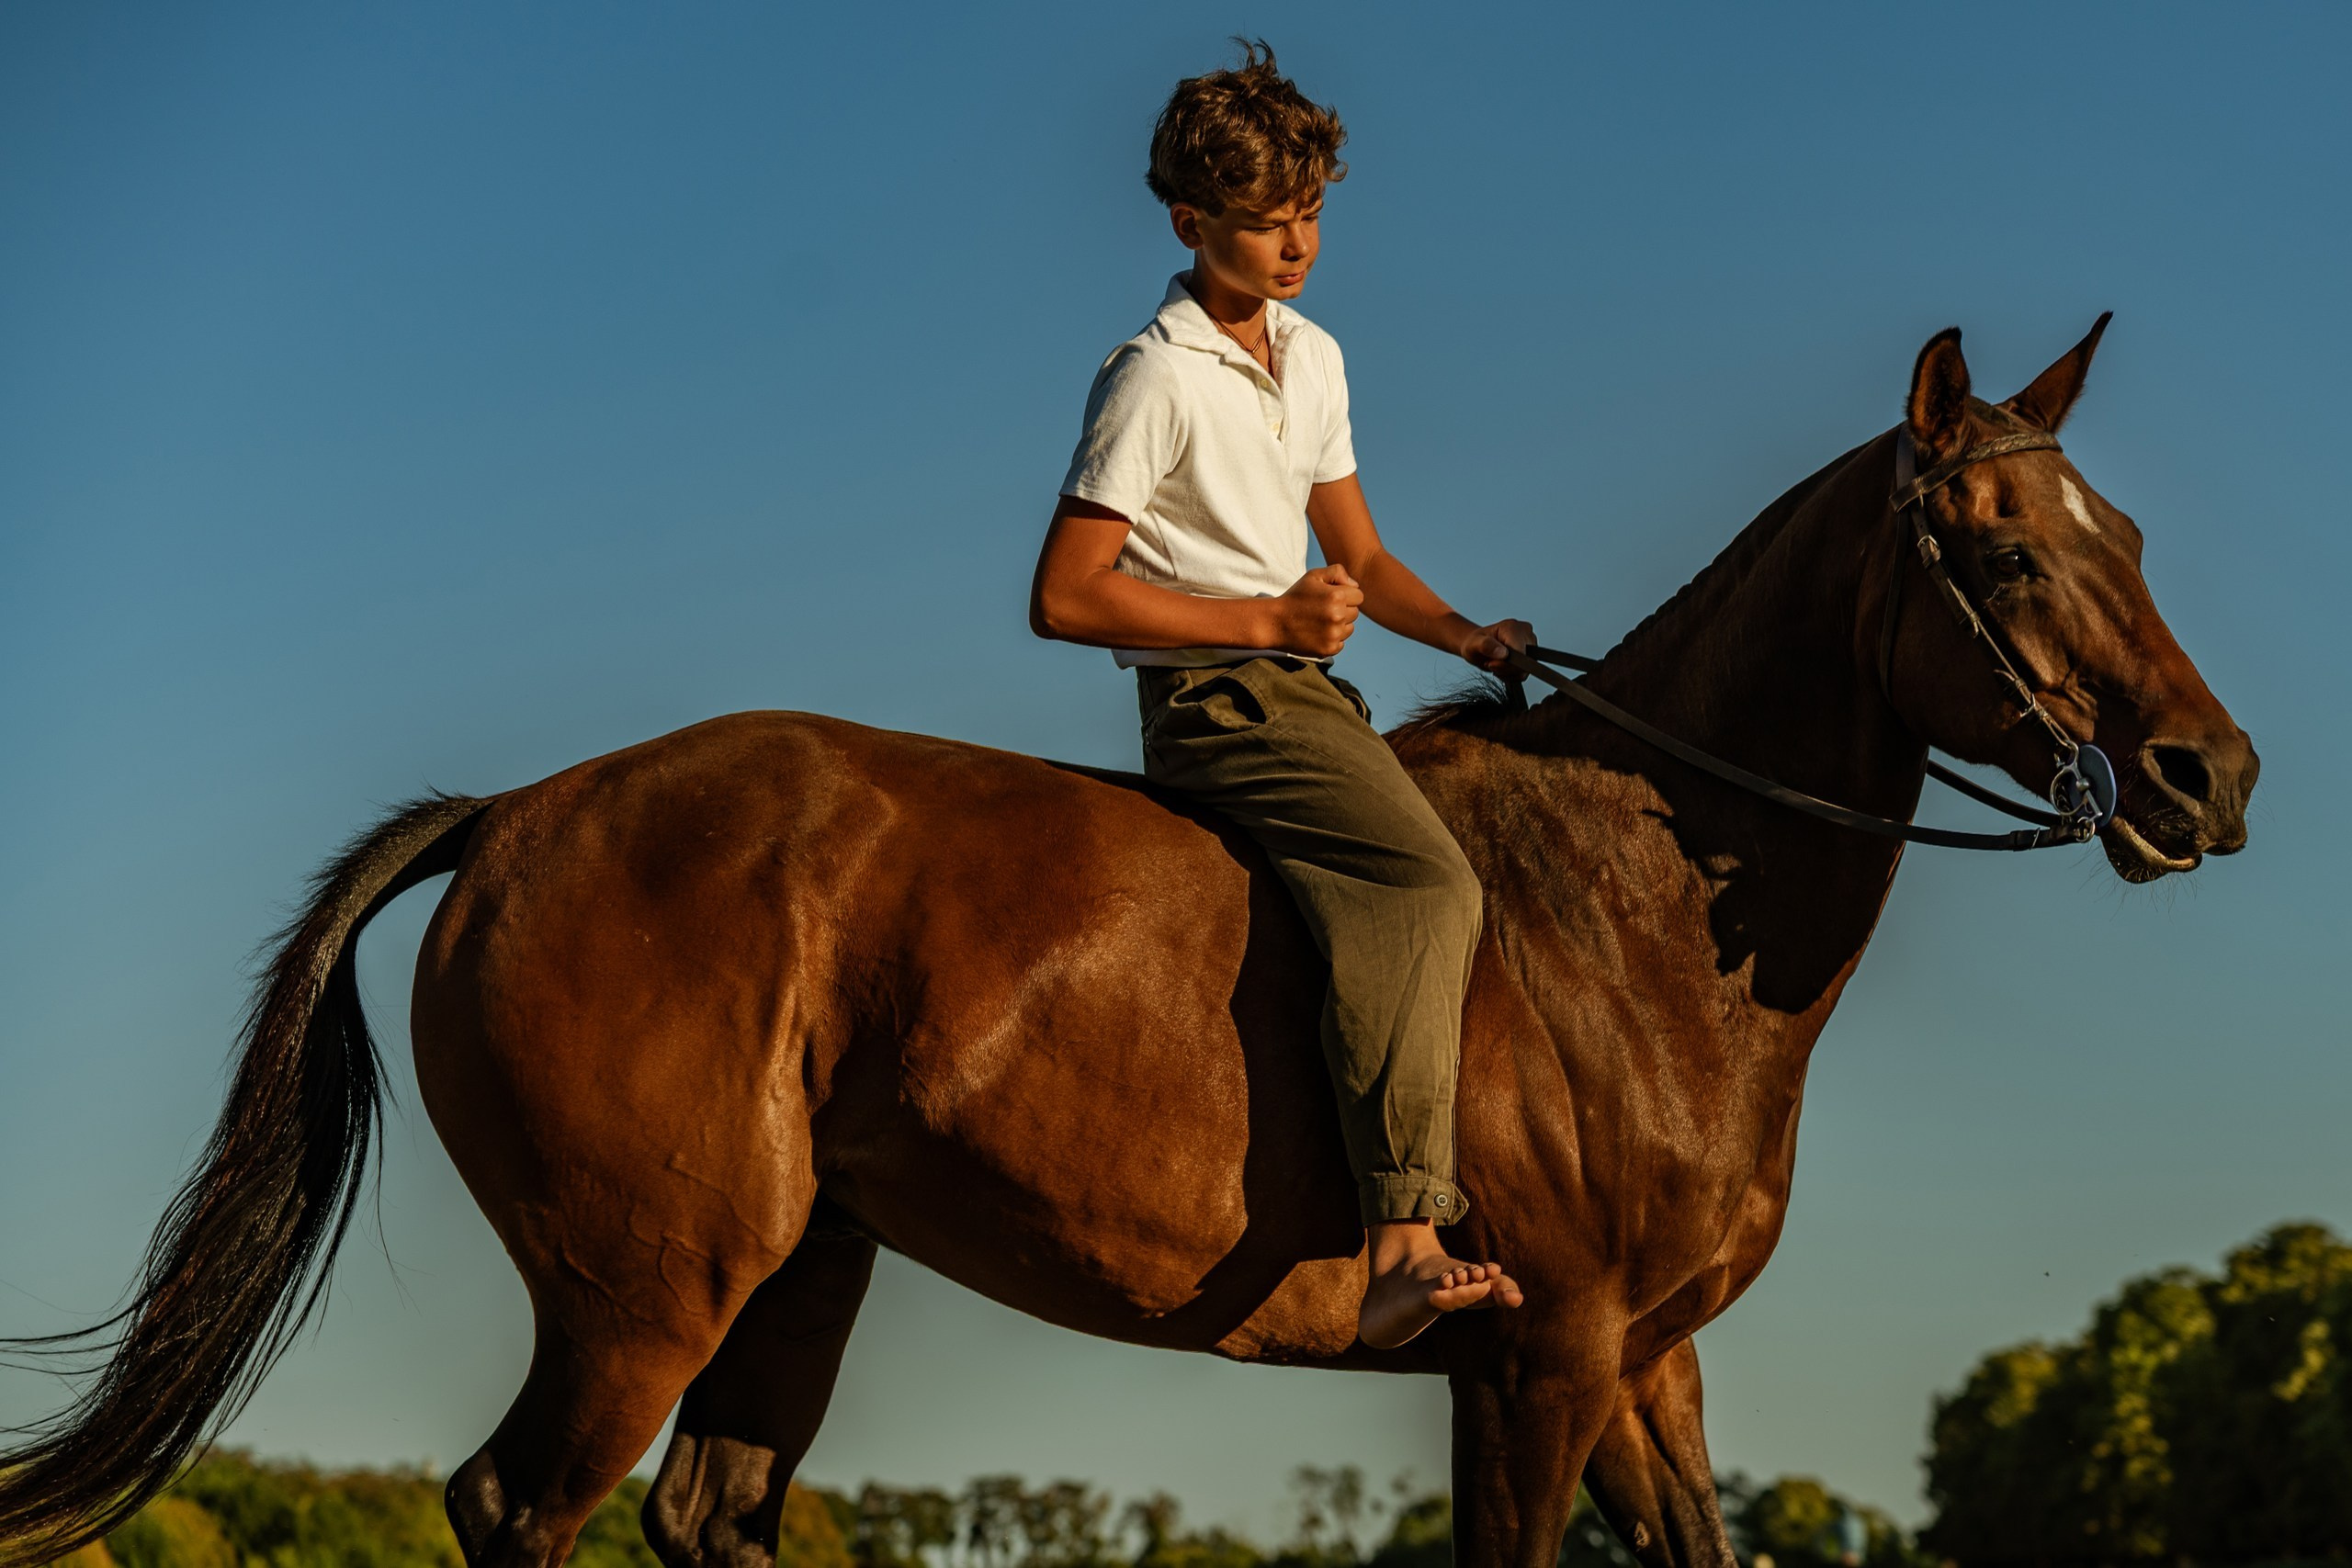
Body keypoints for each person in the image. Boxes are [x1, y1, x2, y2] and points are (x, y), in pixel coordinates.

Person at [1028, 41, 1530, 1349]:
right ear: (1193, 224)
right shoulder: (1154, 376)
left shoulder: (1313, 356)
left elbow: (1359, 557)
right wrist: (1266, 618)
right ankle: (1404, 1241)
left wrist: (1467, 633)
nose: (1296, 244)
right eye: (1264, 223)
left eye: (1309, 213)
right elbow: (1067, 595)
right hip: (1216, 703)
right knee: (1427, 885)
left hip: (1304, 693)